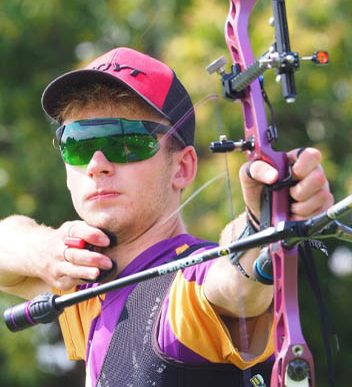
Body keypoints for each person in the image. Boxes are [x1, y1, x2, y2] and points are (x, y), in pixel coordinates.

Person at [0, 47, 333, 386]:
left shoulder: (188, 288)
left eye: (126, 142)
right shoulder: (87, 282)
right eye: (78, 143)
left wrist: (260, 222)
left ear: (182, 167)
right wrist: (46, 249)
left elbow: (235, 285)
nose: (96, 164)